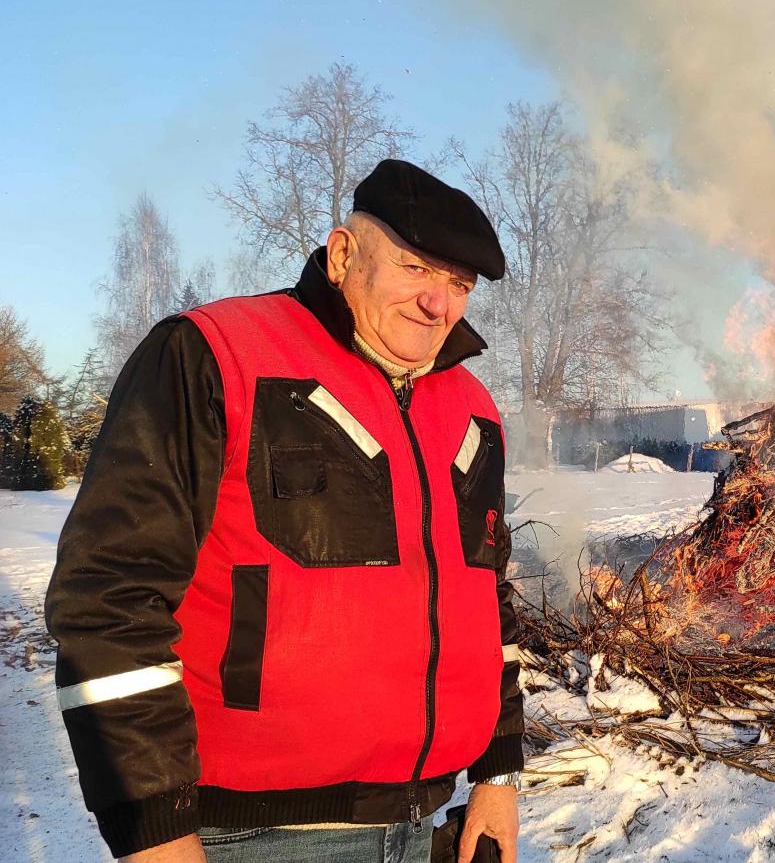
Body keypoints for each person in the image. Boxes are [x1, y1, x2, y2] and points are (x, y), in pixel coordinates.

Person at [46, 159, 526, 863]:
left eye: (458, 284)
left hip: (425, 824)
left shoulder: (472, 410)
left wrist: (497, 772)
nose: (439, 304)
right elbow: (109, 600)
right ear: (342, 255)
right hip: (249, 837)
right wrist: (153, 830)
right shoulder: (214, 355)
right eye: (417, 269)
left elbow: (489, 602)